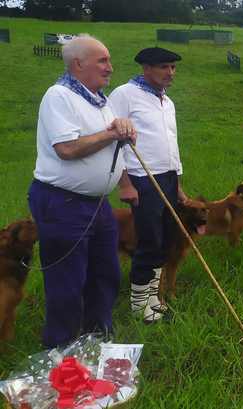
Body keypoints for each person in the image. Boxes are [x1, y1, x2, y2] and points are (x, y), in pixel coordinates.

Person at [27, 35, 137, 348]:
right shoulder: (58, 95)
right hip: (63, 202)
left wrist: (123, 133)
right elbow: (67, 148)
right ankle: (61, 356)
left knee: (106, 275)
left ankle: (97, 344)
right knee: (67, 283)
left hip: (98, 203)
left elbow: (107, 137)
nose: (111, 68)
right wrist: (112, 133)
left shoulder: (100, 99)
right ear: (78, 63)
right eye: (102, 60)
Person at [110, 47, 187, 323]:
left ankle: (153, 298)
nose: (170, 72)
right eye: (164, 67)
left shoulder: (167, 101)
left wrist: (177, 182)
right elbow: (112, 141)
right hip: (142, 179)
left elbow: (171, 145)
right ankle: (139, 305)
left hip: (167, 178)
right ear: (146, 68)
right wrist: (125, 183)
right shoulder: (124, 94)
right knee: (149, 240)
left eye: (173, 67)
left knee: (165, 239)